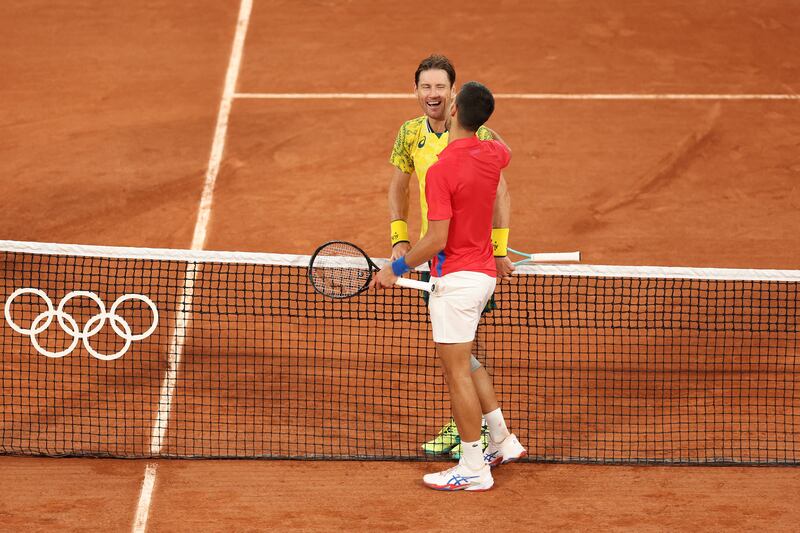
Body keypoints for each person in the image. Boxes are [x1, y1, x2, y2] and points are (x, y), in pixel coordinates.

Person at [373, 81, 526, 491]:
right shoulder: (493, 152)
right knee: (469, 362)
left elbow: (436, 239)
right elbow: (503, 146)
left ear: (455, 109)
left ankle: (474, 466)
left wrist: (397, 267)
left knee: (456, 371)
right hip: (483, 279)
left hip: (455, 282)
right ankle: (502, 440)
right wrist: (480, 117)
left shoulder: (441, 170)